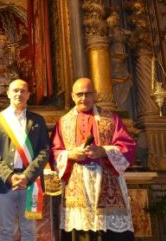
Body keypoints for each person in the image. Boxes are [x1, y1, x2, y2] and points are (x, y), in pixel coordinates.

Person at [50, 77, 136, 241]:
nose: (83, 98)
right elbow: (54, 152)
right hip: (77, 185)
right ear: (72, 96)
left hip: (107, 183)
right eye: (79, 94)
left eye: (88, 94)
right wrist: (70, 155)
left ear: (95, 95)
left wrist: (103, 151)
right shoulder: (63, 122)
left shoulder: (111, 119)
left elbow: (128, 148)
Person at [0, 79, 49, 241]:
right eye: (15, 90)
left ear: (28, 95)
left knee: (29, 231)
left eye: (23, 91)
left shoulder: (38, 120)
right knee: (5, 231)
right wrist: (9, 176)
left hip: (31, 184)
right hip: (4, 183)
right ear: (8, 93)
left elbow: (44, 150)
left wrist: (27, 176)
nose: (19, 94)